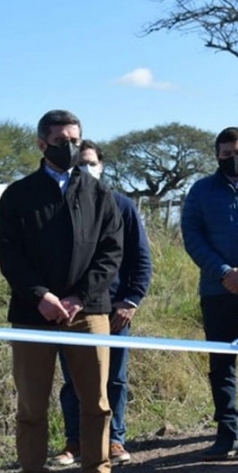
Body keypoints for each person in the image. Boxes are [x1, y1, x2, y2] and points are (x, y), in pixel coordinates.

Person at [0, 109, 123, 473]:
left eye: (74, 141)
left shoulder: (100, 193)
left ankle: (97, 467)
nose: (68, 147)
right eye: (59, 141)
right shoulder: (18, 195)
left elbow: (111, 250)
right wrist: (41, 295)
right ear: (42, 144)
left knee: (97, 404)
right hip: (32, 313)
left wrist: (78, 297)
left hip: (88, 313)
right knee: (32, 407)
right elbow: (8, 251)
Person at [53, 140, 153, 467]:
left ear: (102, 165)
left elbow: (140, 260)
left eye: (91, 163)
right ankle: (75, 442)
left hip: (115, 313)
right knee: (74, 382)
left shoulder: (122, 205)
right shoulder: (60, 206)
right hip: (74, 312)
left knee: (115, 380)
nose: (86, 169)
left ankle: (115, 440)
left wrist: (131, 301)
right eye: (79, 164)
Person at [181, 126, 238, 461]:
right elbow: (192, 235)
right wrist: (223, 272)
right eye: (227, 154)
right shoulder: (201, 190)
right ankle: (227, 432)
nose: (234, 158)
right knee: (221, 365)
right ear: (217, 155)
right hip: (217, 290)